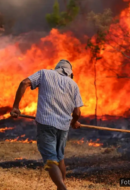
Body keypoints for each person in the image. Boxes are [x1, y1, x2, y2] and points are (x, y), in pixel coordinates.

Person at [10, 59, 83, 190]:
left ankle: (61, 187)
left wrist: (16, 106)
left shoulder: (44, 74)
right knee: (60, 158)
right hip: (63, 127)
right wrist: (73, 122)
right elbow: (77, 112)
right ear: (69, 73)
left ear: (57, 69)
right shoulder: (73, 84)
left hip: (46, 124)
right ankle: (61, 186)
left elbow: (24, 82)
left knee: (50, 158)